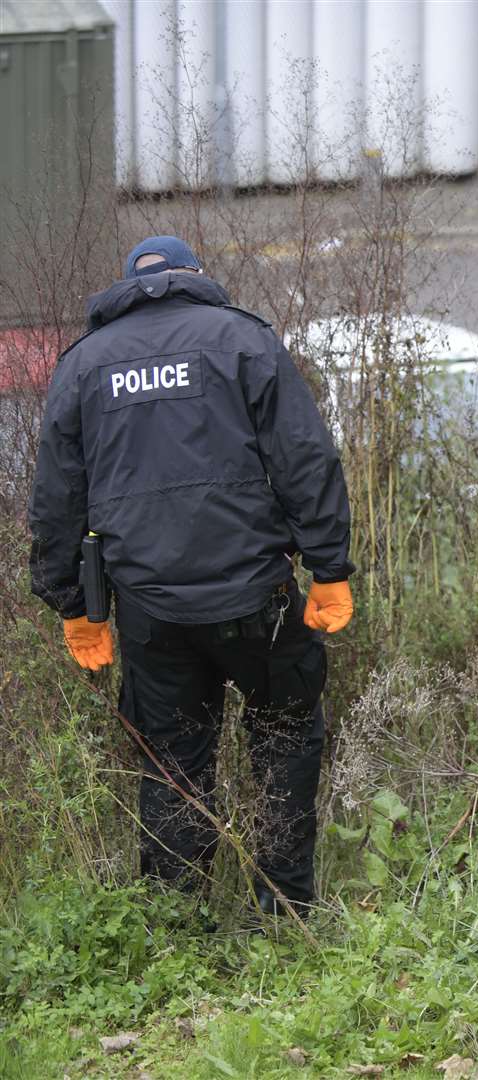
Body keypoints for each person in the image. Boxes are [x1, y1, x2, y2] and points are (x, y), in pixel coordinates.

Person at [28, 236, 355, 914]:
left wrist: (73, 604)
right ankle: (286, 912)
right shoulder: (243, 340)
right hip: (255, 597)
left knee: (173, 765)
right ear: (195, 278)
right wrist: (328, 567)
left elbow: (57, 499)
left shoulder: (85, 366)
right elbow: (305, 459)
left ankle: (179, 921)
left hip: (152, 614)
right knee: (286, 736)